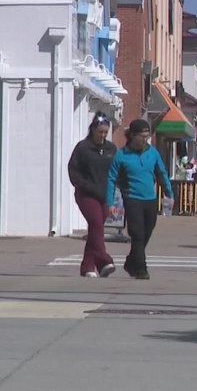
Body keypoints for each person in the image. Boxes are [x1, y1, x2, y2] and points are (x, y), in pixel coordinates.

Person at [106, 119, 173, 280]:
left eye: (147, 136)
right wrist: (109, 203)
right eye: (142, 136)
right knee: (137, 234)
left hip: (150, 199)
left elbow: (161, 174)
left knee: (147, 232)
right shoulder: (121, 156)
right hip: (132, 198)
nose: (145, 139)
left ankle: (131, 262)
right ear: (133, 136)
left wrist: (169, 193)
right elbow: (111, 179)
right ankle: (141, 269)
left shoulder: (153, 153)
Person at [67, 112, 118, 278]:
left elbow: (116, 171)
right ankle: (104, 260)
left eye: (105, 132)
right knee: (96, 224)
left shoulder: (111, 149)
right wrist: (84, 185)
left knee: (96, 230)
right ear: (93, 130)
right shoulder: (83, 148)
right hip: (86, 194)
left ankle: (88, 267)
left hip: (105, 195)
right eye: (100, 132)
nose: (102, 135)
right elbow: (73, 170)